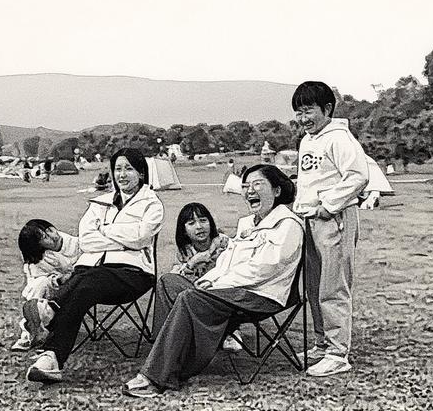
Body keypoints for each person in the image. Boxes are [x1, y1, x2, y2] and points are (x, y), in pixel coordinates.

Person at [123, 164, 303, 398]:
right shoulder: (248, 223)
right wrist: (209, 279)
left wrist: (218, 284)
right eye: (246, 186)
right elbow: (228, 261)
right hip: (234, 290)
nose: (250, 190)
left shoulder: (287, 225)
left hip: (261, 295)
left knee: (190, 297)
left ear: (277, 191)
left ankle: (157, 377)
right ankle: (164, 357)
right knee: (169, 282)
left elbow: (265, 268)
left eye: (257, 184)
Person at [24, 147, 165, 383]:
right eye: (117, 169)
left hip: (133, 274)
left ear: (141, 173)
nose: (122, 175)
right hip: (89, 273)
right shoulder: (100, 202)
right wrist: (123, 241)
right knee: (82, 284)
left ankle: (50, 316)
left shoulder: (151, 204)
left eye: (128, 169)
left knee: (84, 282)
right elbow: (86, 239)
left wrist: (105, 230)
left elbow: (141, 237)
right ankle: (51, 358)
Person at [291, 81, 369, 377]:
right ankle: (322, 344)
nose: (303, 118)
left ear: (327, 109)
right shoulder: (307, 140)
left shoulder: (339, 138)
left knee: (333, 286)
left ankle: (338, 353)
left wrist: (329, 205)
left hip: (333, 219)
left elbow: (358, 176)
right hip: (309, 220)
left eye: (308, 111)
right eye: (299, 112)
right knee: (314, 286)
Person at [167, 202, 240, 351]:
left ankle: (231, 332)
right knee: (171, 285)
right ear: (184, 230)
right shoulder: (184, 251)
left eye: (203, 220)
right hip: (197, 297)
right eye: (191, 223)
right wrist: (192, 263)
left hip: (223, 295)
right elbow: (175, 278)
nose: (199, 227)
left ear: (210, 223)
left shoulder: (224, 243)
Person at [11, 219, 79, 351]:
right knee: (38, 286)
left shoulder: (76, 243)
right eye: (44, 237)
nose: (52, 236)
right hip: (54, 291)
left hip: (81, 284)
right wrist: (58, 280)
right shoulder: (38, 261)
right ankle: (32, 330)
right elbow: (34, 285)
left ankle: (41, 327)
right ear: (38, 245)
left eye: (50, 230)